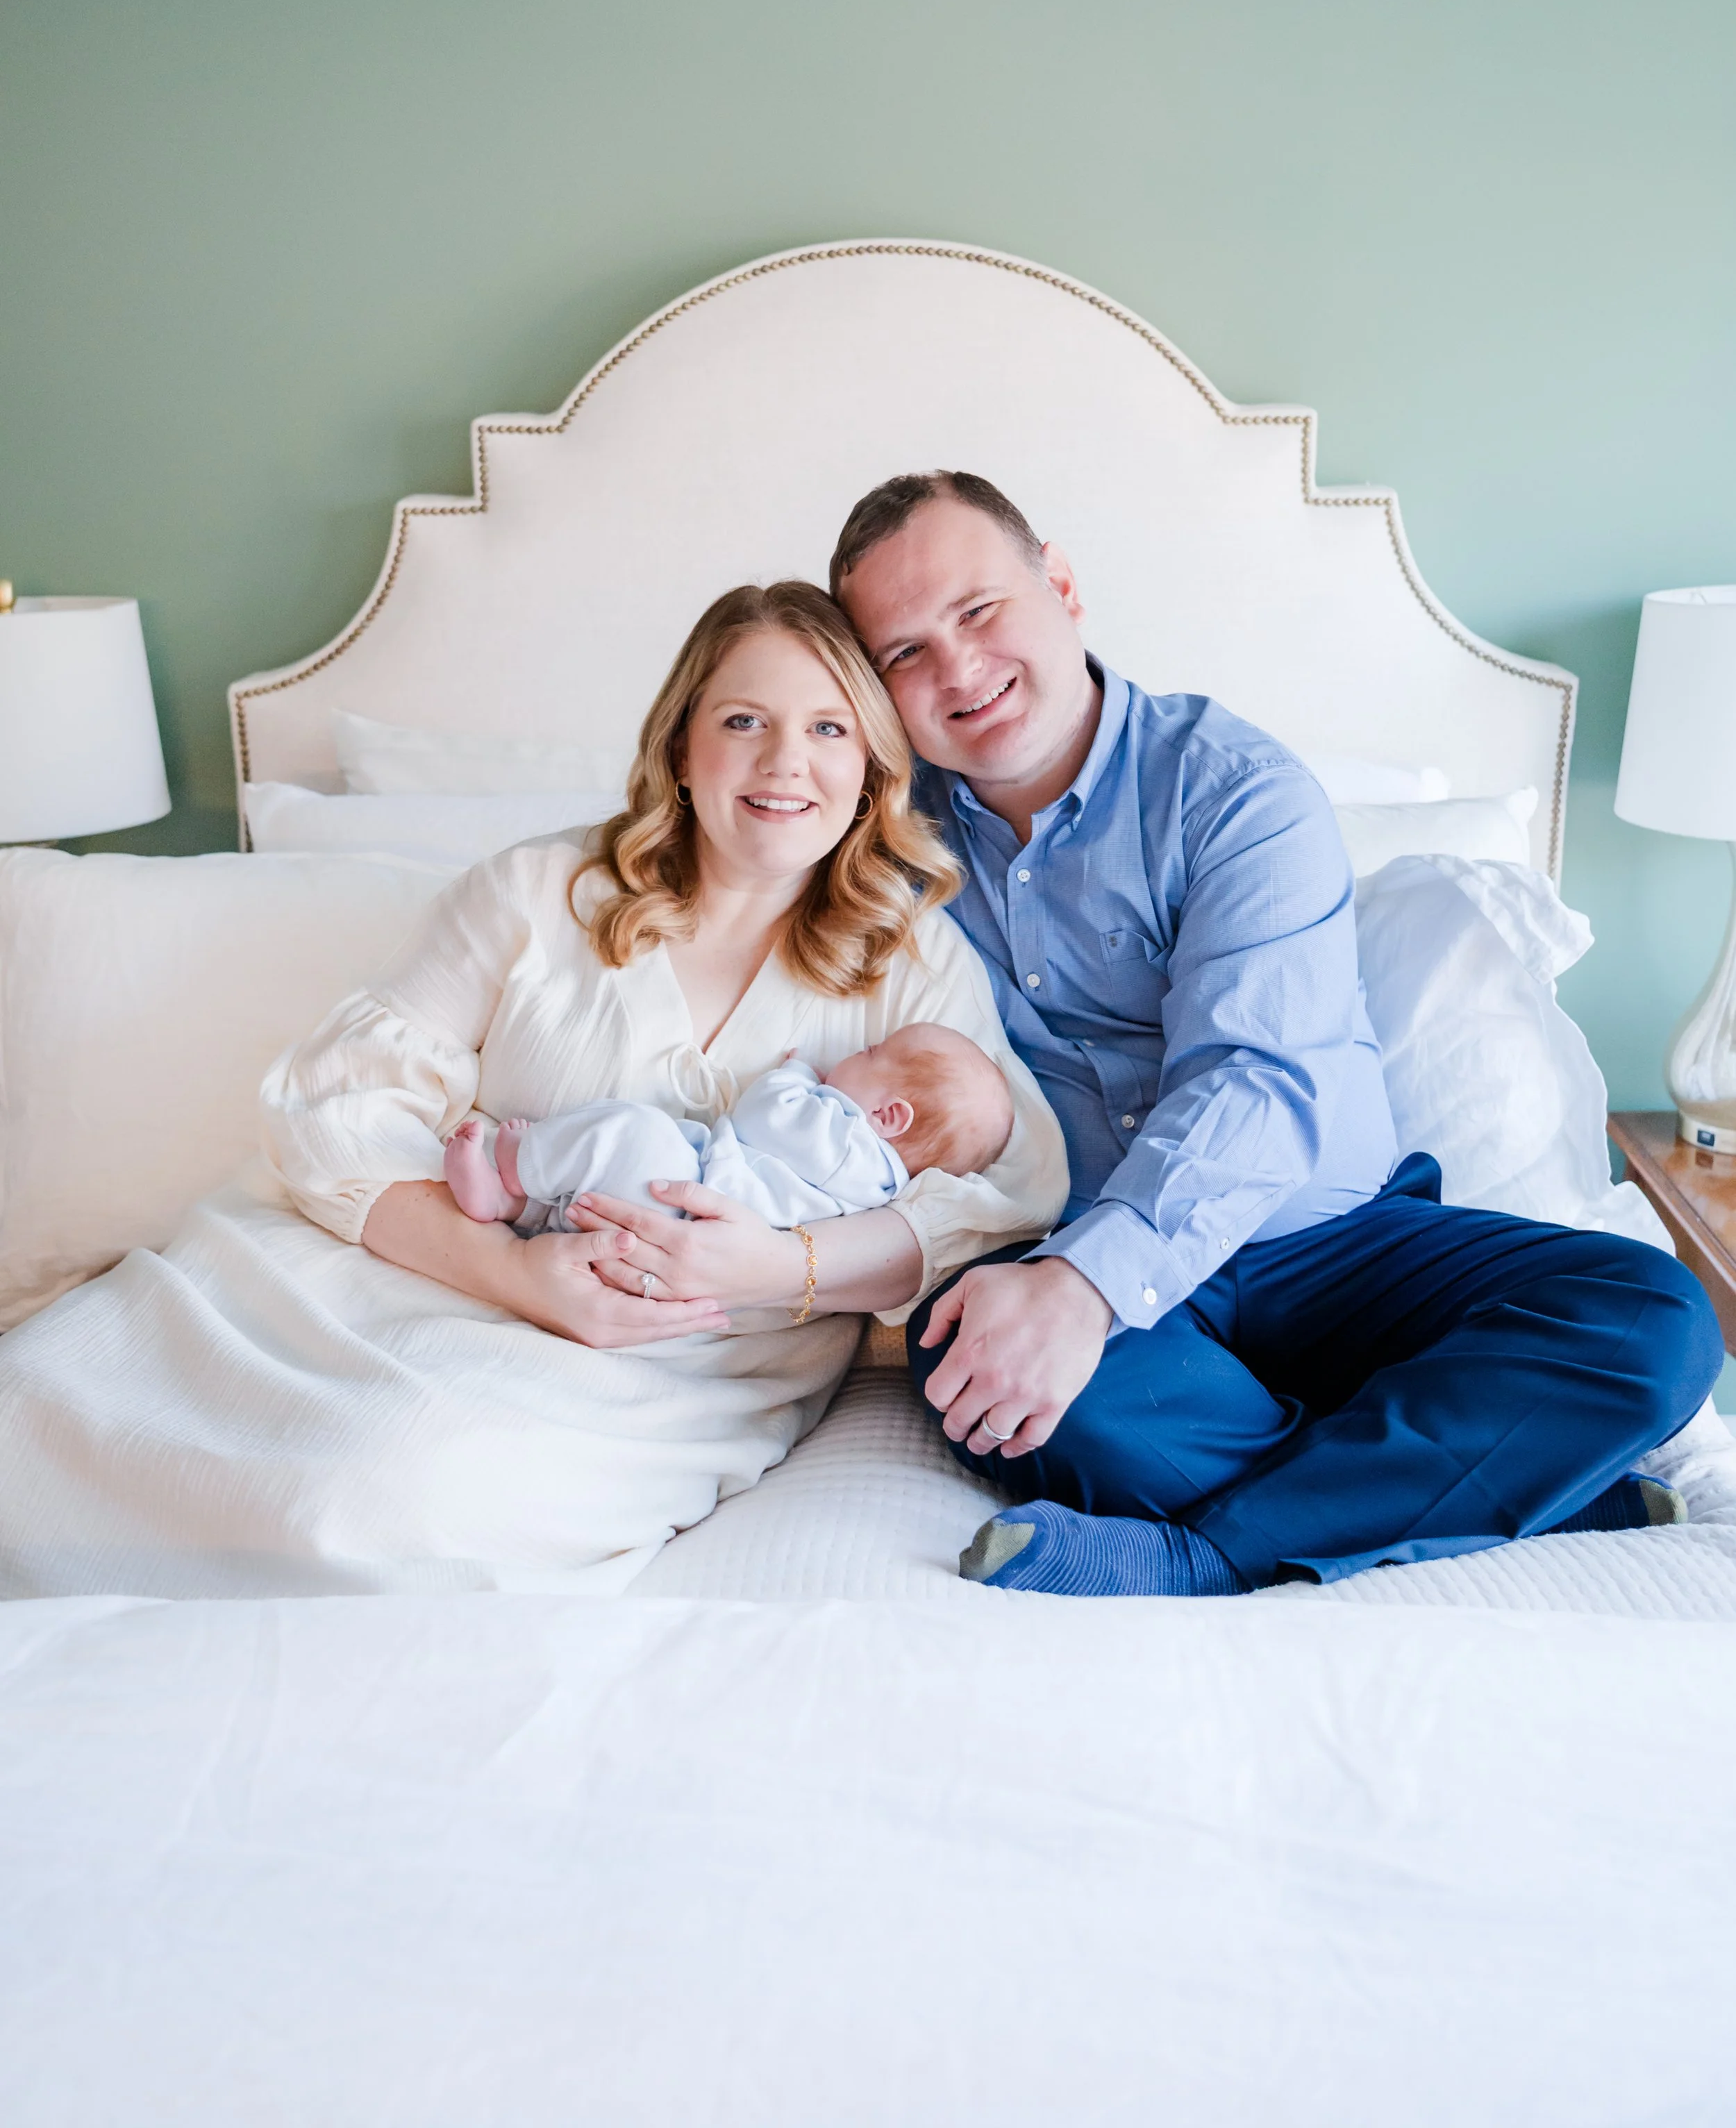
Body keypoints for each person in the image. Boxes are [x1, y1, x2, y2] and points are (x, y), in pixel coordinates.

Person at [0, 579, 1064, 1598]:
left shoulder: (908, 957)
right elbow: (339, 1104)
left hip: (661, 1360)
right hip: (390, 1269)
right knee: (38, 1421)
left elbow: (1002, 1195)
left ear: (875, 767)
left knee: (376, 1497)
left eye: (832, 728)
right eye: (745, 719)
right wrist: (515, 1270)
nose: (787, 760)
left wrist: (782, 1263)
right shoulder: (539, 890)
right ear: (683, 747)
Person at [804, 468, 1723, 1598]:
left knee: (1658, 1315)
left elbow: (1255, 1080)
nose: (956, 669)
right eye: (903, 653)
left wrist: (1083, 1289)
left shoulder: (1232, 789)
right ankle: (1516, 1488)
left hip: (1338, 1246)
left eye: (980, 610)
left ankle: (1206, 1553)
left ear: (1062, 583)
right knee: (969, 1356)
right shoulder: (883, 843)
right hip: (1114, 1286)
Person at [442, 1025, 1013, 1237]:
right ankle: (514, 1210)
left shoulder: (848, 1150)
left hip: (695, 1207)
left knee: (633, 1130)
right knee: (602, 1188)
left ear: (888, 1117)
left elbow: (762, 1115)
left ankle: (518, 1163)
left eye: (869, 1053)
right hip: (688, 1222)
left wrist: (793, 1073)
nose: (851, 1054)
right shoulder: (871, 1184)